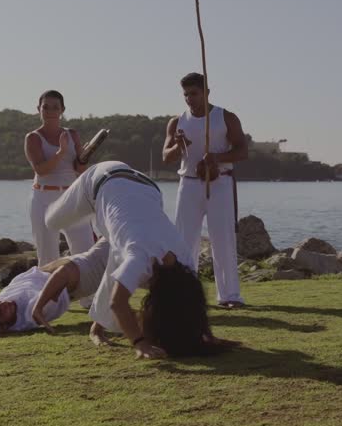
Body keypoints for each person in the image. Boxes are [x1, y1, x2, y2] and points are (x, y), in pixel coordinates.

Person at [45, 160, 225, 358]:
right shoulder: (139, 257)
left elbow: (192, 305)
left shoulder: (184, 262)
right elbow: (117, 303)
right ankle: (97, 327)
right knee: (52, 221)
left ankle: (96, 328)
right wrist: (140, 343)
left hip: (149, 190)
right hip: (102, 178)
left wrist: (204, 334)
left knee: (119, 253)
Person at [162, 72, 249, 309]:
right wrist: (179, 146)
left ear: (207, 92)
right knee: (183, 240)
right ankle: (185, 293)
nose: (190, 99)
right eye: (186, 94)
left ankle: (230, 296)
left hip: (219, 183)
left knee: (222, 238)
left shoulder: (225, 117)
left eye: (195, 93)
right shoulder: (177, 122)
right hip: (188, 183)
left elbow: (242, 151)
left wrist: (217, 157)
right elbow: (166, 157)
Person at [24, 90, 97, 266]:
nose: (50, 111)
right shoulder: (33, 138)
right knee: (48, 257)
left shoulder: (72, 134)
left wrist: (85, 155)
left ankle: (88, 294)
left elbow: (80, 169)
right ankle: (51, 293)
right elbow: (41, 170)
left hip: (72, 197)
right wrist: (61, 153)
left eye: (55, 107)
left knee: (85, 251)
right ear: (38, 109)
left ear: (62, 110)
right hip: (44, 199)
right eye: (45, 107)